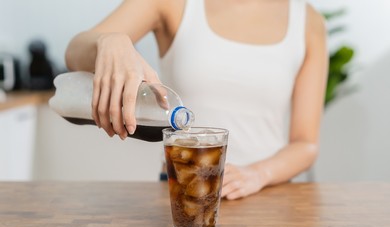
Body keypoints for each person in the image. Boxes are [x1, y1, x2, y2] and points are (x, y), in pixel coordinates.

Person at [65, 0, 328, 200]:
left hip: (270, 197)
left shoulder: (307, 21)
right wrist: (109, 41)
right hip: (184, 192)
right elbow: (74, 53)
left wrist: (258, 174)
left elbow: (305, 143)